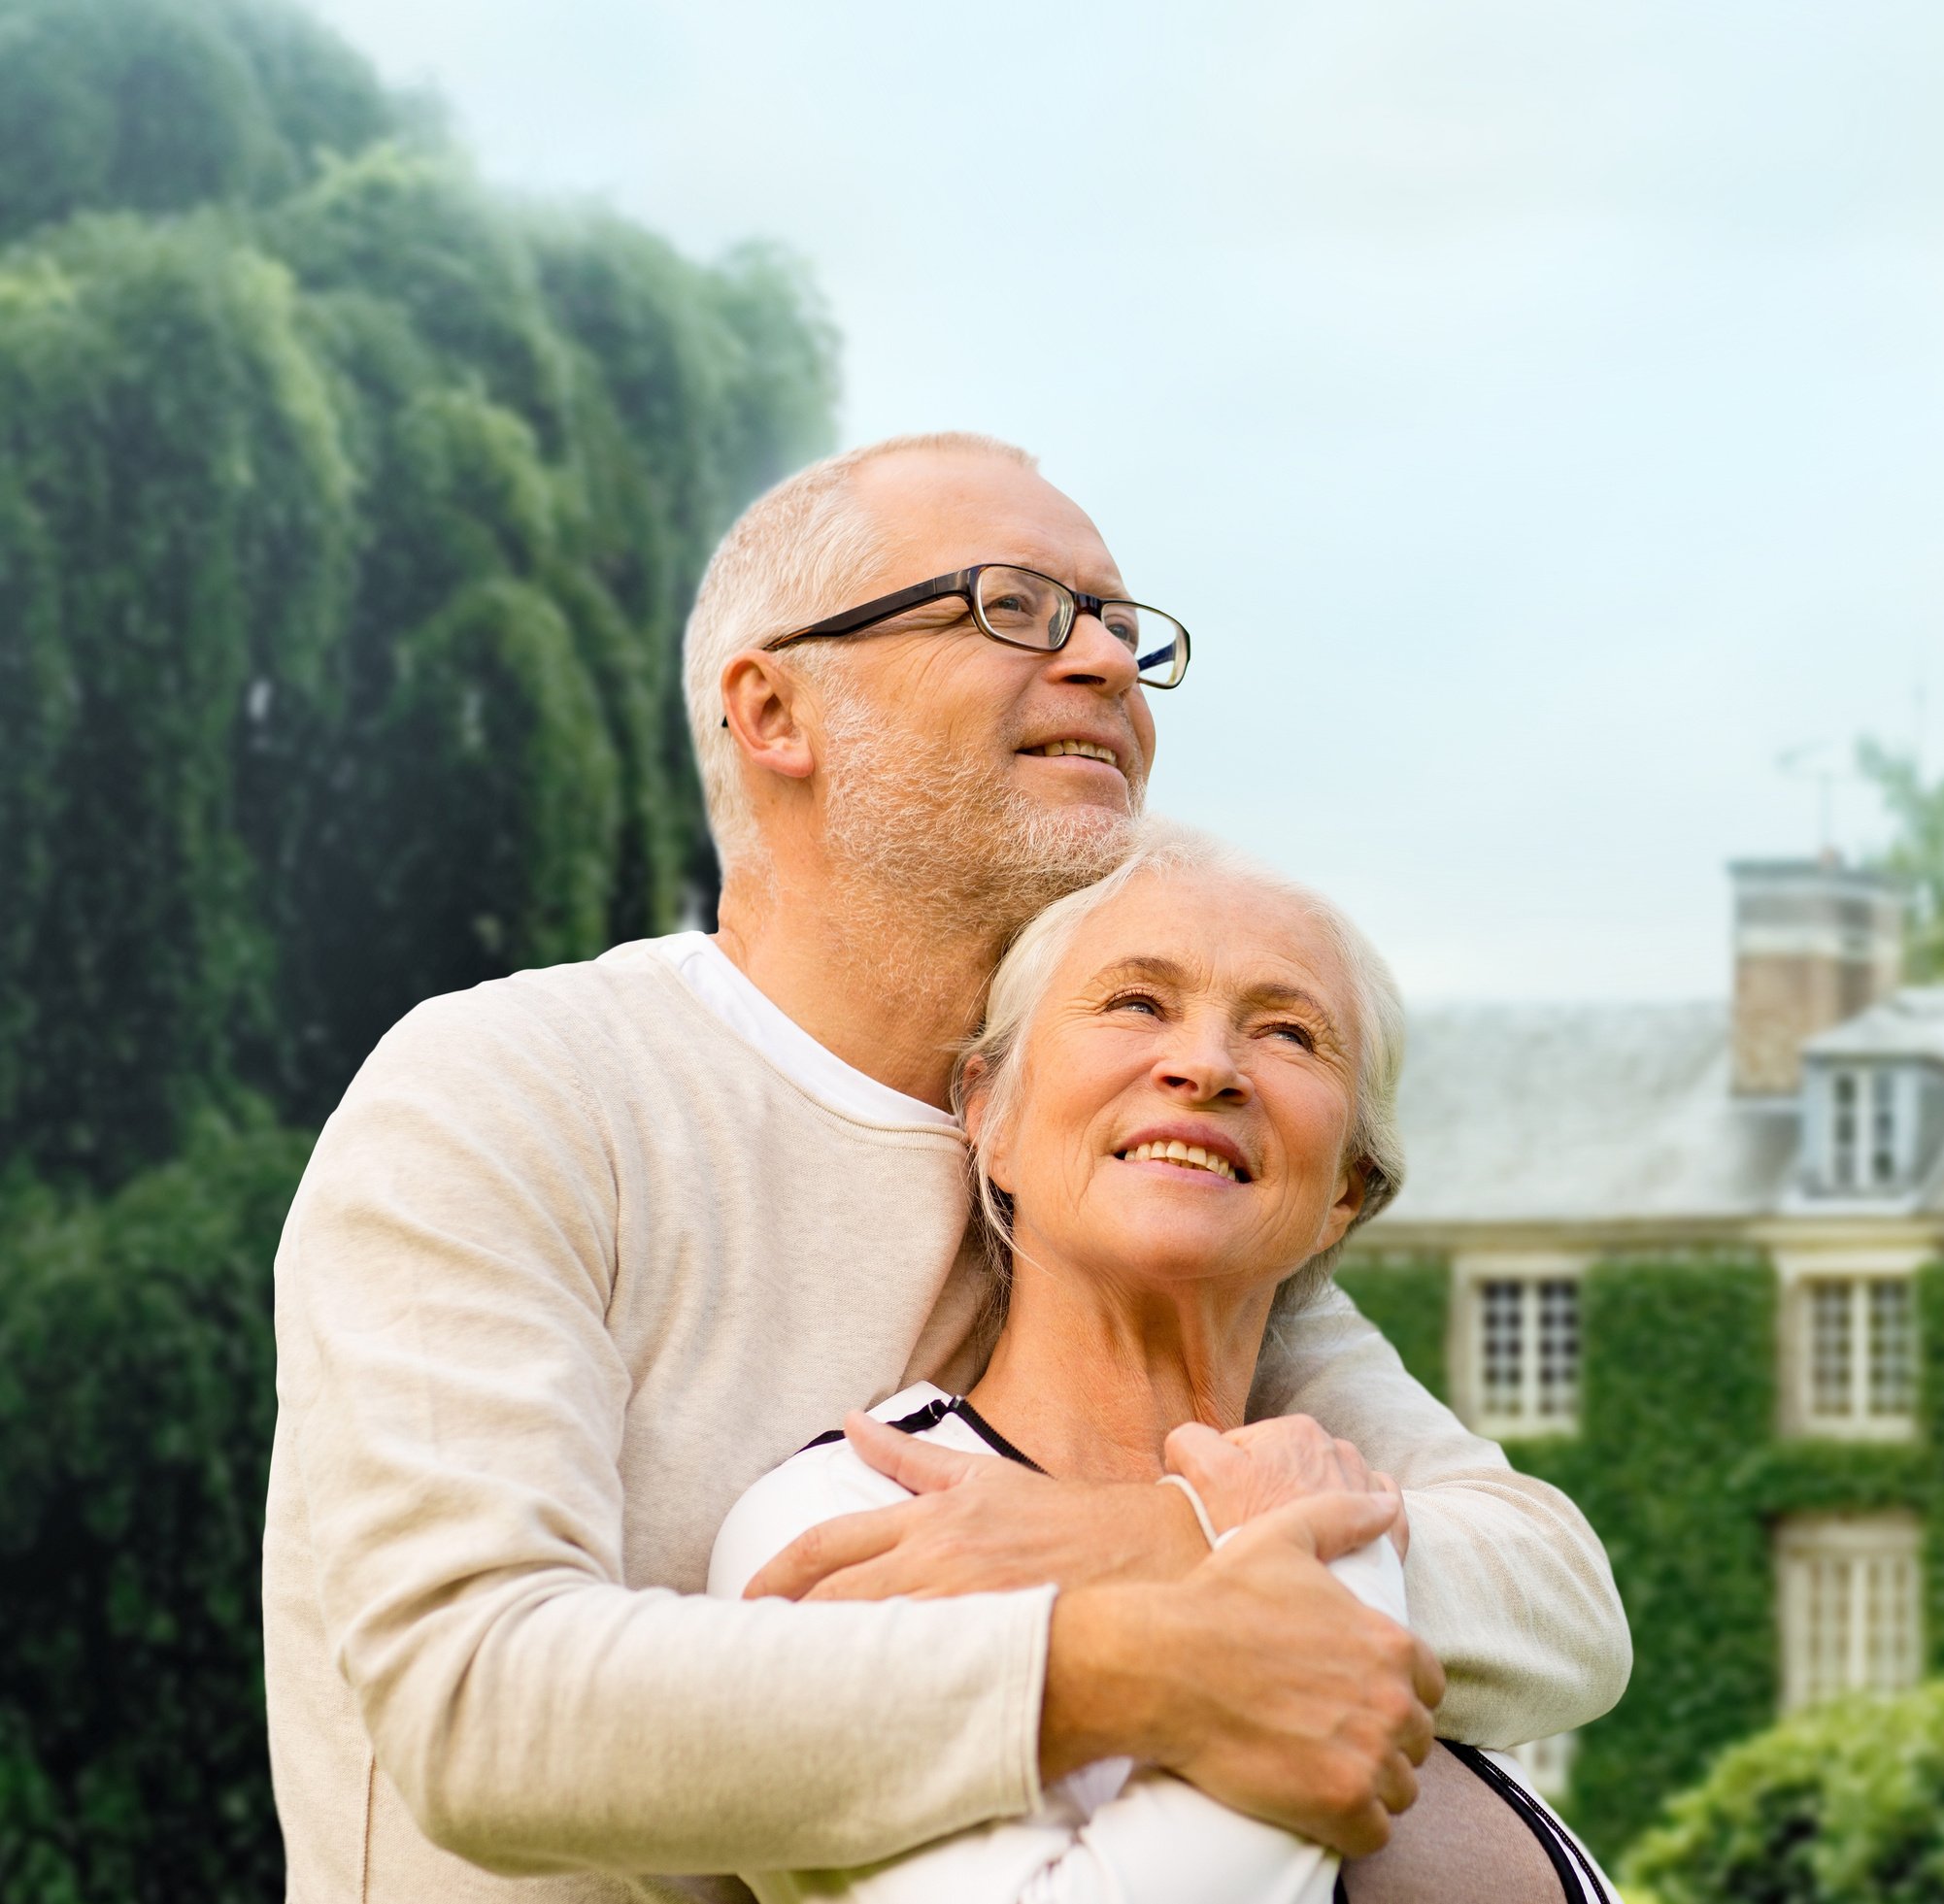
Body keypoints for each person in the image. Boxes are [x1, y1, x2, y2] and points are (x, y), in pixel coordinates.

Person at [263, 432, 1630, 1902]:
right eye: (1011, 606)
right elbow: (480, 1705)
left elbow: (1549, 1596)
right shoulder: (518, 1090)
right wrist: (1122, 1660)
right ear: (774, 707)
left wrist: (1150, 1537)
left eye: (1117, 623)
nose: (1104, 660)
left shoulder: (1121, 1178)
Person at [708, 822, 1613, 1902]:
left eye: (1287, 1031)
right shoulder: (851, 1511)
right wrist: (1313, 1553)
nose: (1205, 1065)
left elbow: (1575, 1616)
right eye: (1135, 1001)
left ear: (1344, 1195)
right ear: (989, 1114)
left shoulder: (1355, 1492)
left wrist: (1216, 1531)